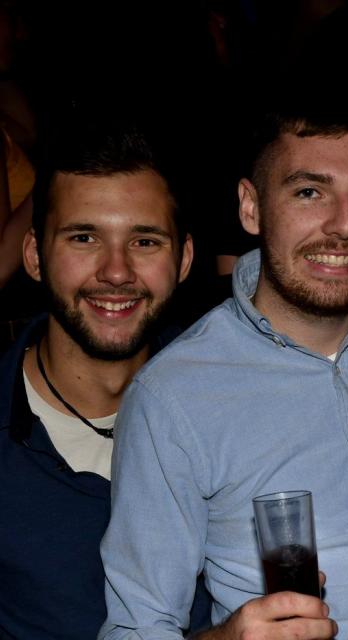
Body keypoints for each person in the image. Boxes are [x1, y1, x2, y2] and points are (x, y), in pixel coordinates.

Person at [99, 101, 348, 639]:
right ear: (251, 207)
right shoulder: (173, 395)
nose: (343, 224)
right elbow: (135, 627)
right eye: (309, 192)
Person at [0, 119, 211, 639]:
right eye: (84, 237)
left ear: (183, 259)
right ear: (35, 256)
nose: (116, 272)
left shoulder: (233, 403)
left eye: (144, 240)